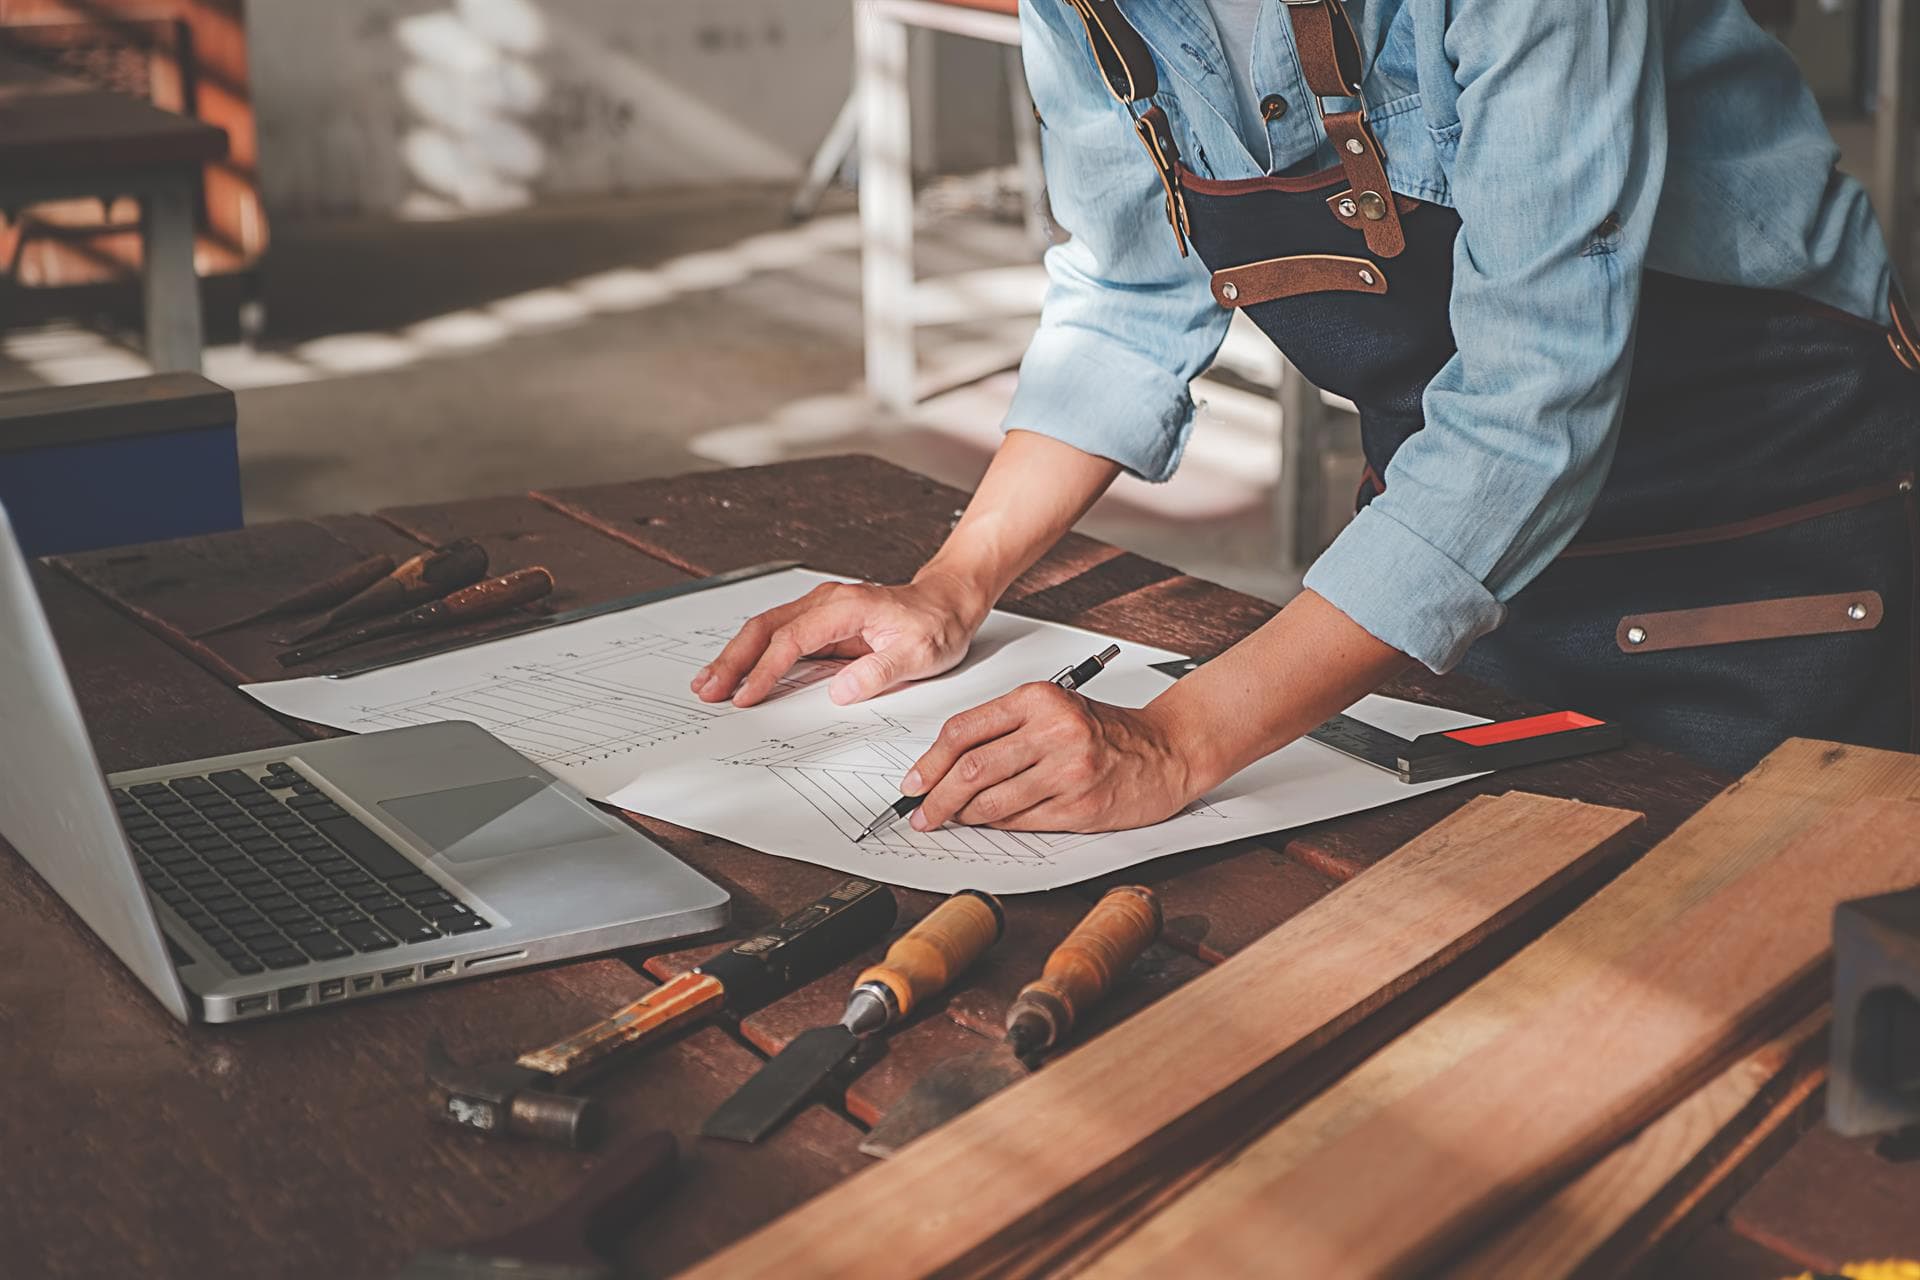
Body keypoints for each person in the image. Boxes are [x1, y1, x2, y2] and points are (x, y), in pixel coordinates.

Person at [696, 0, 1918, 836]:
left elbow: (1531, 397)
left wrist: (1177, 741)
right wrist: (951, 586)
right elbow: (1129, 292)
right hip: (1451, 593)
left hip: (1777, 547)